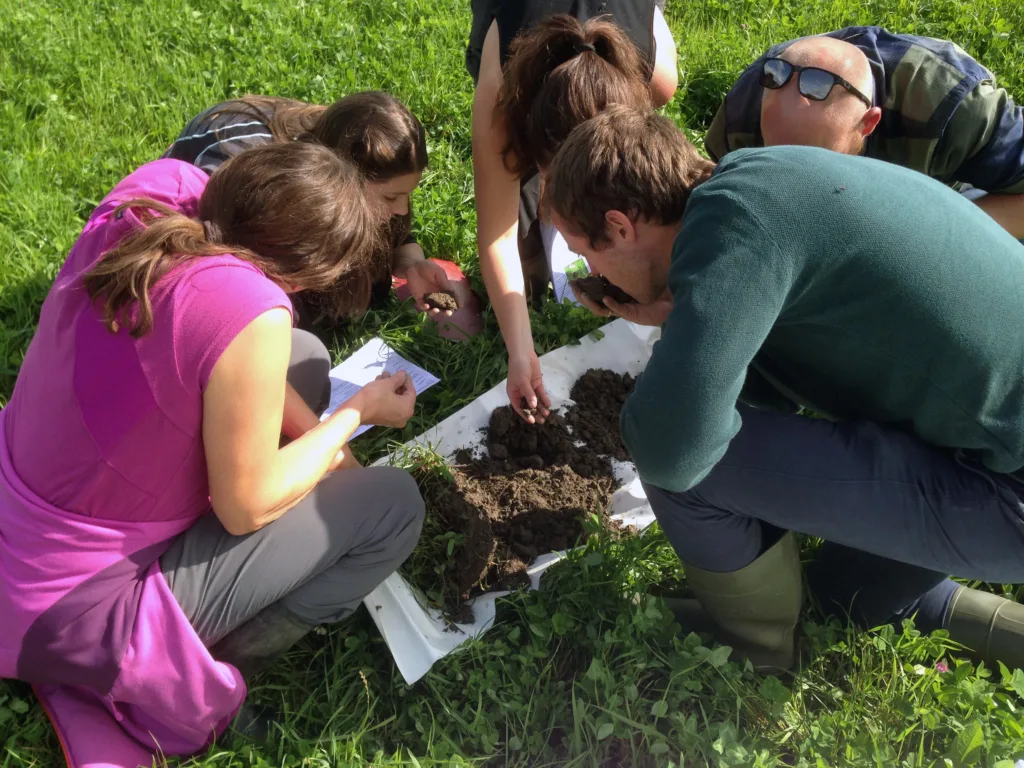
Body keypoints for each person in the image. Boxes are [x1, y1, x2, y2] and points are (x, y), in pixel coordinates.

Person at [542, 106, 1024, 672]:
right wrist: (684, 312)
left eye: (586, 252)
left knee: (687, 464)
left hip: (1007, 493)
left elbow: (676, 449)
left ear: (622, 227)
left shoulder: (735, 231)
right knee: (845, 600)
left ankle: (759, 653)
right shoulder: (756, 185)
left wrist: (674, 344)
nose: (592, 270)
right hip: (991, 445)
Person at [0, 143, 425, 766]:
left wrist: (325, 441)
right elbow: (243, 508)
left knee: (303, 357)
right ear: (303, 270)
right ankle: (197, 664)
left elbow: (226, 342)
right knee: (392, 507)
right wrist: (354, 416)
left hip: (24, 527)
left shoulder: (161, 196)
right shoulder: (247, 309)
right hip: (66, 607)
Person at [466, 0, 678, 423]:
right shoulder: (502, 100)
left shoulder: (656, 80)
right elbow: (498, 237)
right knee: (524, 270)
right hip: (514, 23)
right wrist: (521, 351)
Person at [164, 91, 483, 339]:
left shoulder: (351, 155)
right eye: (391, 197)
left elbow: (396, 233)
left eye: (407, 195)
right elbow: (235, 290)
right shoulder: (270, 198)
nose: (401, 208)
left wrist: (411, 264)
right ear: (343, 181)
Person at [705, 27, 1024, 237]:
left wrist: (931, 234)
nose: (797, 180)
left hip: (946, 194)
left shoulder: (951, 107)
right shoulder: (738, 124)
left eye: (813, 163)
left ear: (868, 123)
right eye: (776, 157)